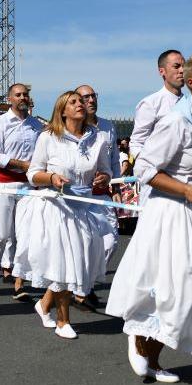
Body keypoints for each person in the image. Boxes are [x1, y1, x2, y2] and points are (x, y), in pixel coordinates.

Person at [107, 54, 192, 382]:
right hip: (172, 213)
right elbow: (144, 168)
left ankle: (152, 357)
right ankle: (140, 337)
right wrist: (186, 190)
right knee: (174, 285)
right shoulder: (175, 121)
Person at [14, 90, 112, 340]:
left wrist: (104, 177)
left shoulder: (98, 139)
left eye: (82, 101)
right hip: (56, 208)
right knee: (63, 263)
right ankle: (62, 320)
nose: (81, 104)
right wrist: (51, 178)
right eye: (73, 102)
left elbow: (105, 171)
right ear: (62, 110)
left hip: (83, 207)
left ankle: (44, 304)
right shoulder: (49, 137)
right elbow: (33, 174)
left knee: (78, 262)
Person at [0, 82, 43, 298]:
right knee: (3, 234)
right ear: (10, 99)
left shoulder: (36, 125)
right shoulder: (0, 124)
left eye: (25, 94)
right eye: (18, 95)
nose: (22, 98)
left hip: (28, 186)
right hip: (3, 185)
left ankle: (19, 281)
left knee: (25, 235)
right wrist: (21, 164)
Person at [75, 83, 121, 310]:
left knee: (110, 241)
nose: (91, 100)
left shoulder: (108, 127)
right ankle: (79, 289)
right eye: (86, 97)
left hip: (102, 195)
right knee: (83, 244)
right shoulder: (73, 128)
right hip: (80, 197)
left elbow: (114, 161)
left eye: (93, 96)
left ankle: (86, 284)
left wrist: (116, 186)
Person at [130, 50, 185, 165]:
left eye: (184, 66)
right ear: (162, 71)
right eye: (176, 66)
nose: (182, 70)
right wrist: (152, 168)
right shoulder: (150, 104)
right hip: (159, 173)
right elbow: (137, 143)